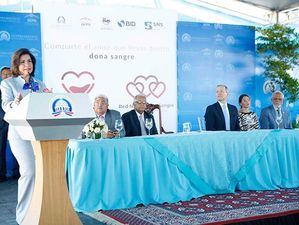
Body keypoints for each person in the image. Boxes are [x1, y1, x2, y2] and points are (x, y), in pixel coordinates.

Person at [0, 48, 50, 224]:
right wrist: (16, 103)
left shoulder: (41, 84)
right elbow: (6, 106)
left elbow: (45, 108)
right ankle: (23, 217)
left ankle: (40, 211)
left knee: (43, 174)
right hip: (19, 134)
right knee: (29, 172)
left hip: (40, 134)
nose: (27, 65)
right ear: (16, 64)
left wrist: (49, 100)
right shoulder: (9, 84)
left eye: (29, 61)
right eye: (23, 62)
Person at [0, 67, 12, 181]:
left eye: (8, 74)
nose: (6, 76)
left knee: (18, 149)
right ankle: (1, 174)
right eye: (4, 74)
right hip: (1, 125)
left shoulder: (14, 88)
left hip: (13, 123)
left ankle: (18, 173)